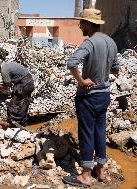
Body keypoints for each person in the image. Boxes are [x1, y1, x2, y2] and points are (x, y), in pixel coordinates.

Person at [62, 8, 119, 187]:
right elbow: (116, 68)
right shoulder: (111, 42)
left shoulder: (90, 42)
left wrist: (81, 80)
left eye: (82, 23)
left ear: (88, 24)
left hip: (88, 97)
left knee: (87, 133)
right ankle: (100, 171)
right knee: (100, 131)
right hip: (105, 95)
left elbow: (71, 63)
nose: (80, 26)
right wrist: (103, 73)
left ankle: (85, 175)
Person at [0, 58, 34, 125]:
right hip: (28, 82)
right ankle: (23, 123)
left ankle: (14, 125)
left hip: (24, 85)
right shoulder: (7, 65)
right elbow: (8, 82)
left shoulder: (4, 70)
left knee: (13, 107)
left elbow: (7, 86)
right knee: (23, 105)